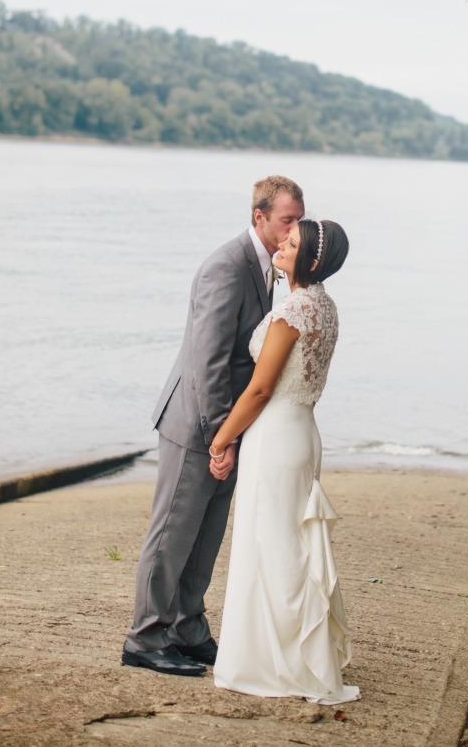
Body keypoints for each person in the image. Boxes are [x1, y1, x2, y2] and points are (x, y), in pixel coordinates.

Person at [122, 175, 305, 676]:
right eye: (288, 219)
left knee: (205, 539)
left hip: (231, 429)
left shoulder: (271, 268)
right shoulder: (226, 267)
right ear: (259, 217)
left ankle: (188, 630)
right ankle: (144, 638)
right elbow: (207, 363)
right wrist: (218, 438)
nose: (296, 229)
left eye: (298, 219)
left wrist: (236, 436)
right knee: (171, 537)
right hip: (196, 425)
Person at [209, 218, 360, 704]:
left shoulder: (293, 309)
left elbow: (259, 388)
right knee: (289, 545)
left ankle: (276, 665)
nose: (281, 244)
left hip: (275, 436)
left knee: (271, 546)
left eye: (292, 244)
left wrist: (221, 440)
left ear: (310, 261)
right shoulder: (326, 306)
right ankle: (298, 655)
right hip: (304, 431)